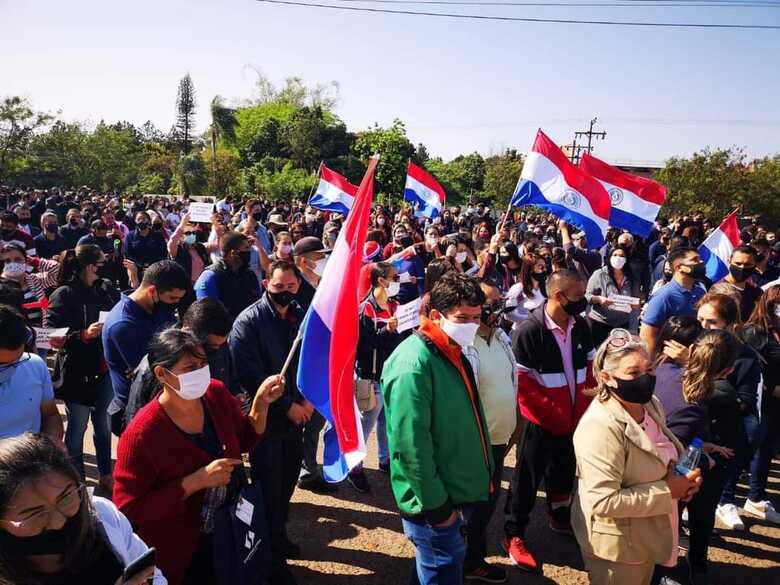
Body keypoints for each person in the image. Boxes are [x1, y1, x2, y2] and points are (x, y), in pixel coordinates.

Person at [113, 328, 284, 585]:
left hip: (230, 531)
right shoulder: (142, 435)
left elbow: (245, 439)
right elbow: (129, 509)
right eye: (190, 366)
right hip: (180, 550)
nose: (201, 372)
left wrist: (261, 402)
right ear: (162, 373)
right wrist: (196, 481)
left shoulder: (215, 394)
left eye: (203, 363)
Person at [382, 272, 492, 585]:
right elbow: (410, 448)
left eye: (477, 316)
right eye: (462, 317)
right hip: (434, 508)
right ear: (436, 316)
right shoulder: (412, 364)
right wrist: (439, 511)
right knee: (439, 573)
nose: (472, 324)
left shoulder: (453, 350)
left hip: (451, 497)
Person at [572, 329, 701, 585]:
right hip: (620, 548)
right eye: (633, 372)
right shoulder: (600, 426)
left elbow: (659, 449)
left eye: (649, 369)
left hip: (647, 534)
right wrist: (668, 491)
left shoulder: (650, 404)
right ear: (607, 378)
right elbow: (604, 501)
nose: (645, 378)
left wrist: (683, 478)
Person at [503, 269, 594, 572]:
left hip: (573, 421)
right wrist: (551, 417)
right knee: (526, 481)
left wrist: (583, 409)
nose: (584, 302)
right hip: (539, 424)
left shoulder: (581, 326)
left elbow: (591, 367)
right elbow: (523, 385)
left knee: (564, 474)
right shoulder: (529, 330)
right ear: (559, 296)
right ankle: (514, 533)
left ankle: (559, 516)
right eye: (579, 297)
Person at [228, 260, 307, 584]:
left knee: (287, 483)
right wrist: (287, 406)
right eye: (278, 288)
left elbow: (309, 359)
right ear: (266, 285)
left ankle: (279, 535)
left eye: (291, 287)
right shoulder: (248, 323)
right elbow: (249, 375)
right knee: (270, 490)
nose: (285, 293)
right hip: (267, 424)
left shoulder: (301, 316)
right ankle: (272, 561)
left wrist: (307, 401)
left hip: (295, 420)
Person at [0, 433, 165, 584]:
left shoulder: (102, 514)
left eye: (65, 498)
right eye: (34, 513)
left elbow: (154, 575)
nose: (58, 522)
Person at [657, 328, 739, 585]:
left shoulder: (664, 372)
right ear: (727, 372)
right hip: (658, 485)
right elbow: (673, 459)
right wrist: (700, 457)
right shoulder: (691, 406)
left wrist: (701, 446)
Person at [46, 245, 118, 494]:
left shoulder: (106, 289)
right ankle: (77, 481)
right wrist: (83, 335)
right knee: (77, 428)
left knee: (104, 424)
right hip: (77, 370)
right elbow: (51, 335)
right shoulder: (64, 294)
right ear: (89, 266)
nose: (104, 267)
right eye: (101, 263)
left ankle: (106, 475)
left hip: (104, 368)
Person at [461, 280, 517, 583]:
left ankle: (471, 558)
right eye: (492, 302)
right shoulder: (465, 345)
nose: (498, 307)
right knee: (474, 508)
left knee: (485, 506)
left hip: (499, 441)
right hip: (475, 445)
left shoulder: (502, 337)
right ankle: (467, 562)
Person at [695, 293, 763, 532]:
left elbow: (745, 402)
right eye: (700, 319)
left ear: (730, 325)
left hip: (723, 436)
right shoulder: (691, 344)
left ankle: (720, 506)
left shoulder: (745, 358)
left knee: (707, 494)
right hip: (692, 435)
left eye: (711, 322)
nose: (703, 327)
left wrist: (700, 380)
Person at [103, 260, 189, 435]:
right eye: (172, 298)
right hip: (137, 411)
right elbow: (155, 373)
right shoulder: (123, 323)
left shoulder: (157, 308)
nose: (175, 304)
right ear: (152, 291)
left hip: (163, 405)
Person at [348, 262, 404, 493]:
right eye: (395, 276)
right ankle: (354, 468)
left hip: (390, 375)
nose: (398, 280)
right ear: (381, 280)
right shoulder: (366, 309)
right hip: (370, 376)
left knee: (387, 422)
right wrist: (387, 331)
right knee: (364, 426)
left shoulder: (395, 305)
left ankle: (385, 459)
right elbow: (364, 345)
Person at [741, 284, 780, 524]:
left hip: (776, 406)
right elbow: (752, 371)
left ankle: (756, 497)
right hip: (760, 403)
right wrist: (774, 389)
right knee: (750, 448)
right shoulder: (755, 332)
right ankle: (725, 501)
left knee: (767, 450)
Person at [0, 304, 62, 441]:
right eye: (2, 364)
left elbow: (50, 415)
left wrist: (54, 442)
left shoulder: (35, 365)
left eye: (17, 360)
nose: (12, 368)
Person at [640, 247, 707, 356]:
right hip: (670, 362)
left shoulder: (700, 292)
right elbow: (648, 334)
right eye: (695, 260)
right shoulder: (663, 297)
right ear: (679, 267)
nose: (701, 262)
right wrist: (651, 366)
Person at [194, 231, 262, 322]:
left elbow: (257, 304)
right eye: (246, 248)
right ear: (233, 253)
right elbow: (206, 314)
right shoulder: (211, 276)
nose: (250, 251)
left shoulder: (249, 274)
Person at [586, 246, 641, 345]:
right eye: (615, 255)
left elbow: (636, 301)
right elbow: (586, 296)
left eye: (621, 256)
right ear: (610, 257)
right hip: (601, 324)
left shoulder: (632, 277)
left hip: (622, 325)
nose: (618, 258)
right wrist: (598, 299)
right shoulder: (599, 274)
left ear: (626, 259)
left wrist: (636, 305)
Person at [717, 245, 763, 321]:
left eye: (747, 264)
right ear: (729, 262)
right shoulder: (719, 291)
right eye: (738, 263)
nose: (742, 267)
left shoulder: (756, 292)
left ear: (755, 266)